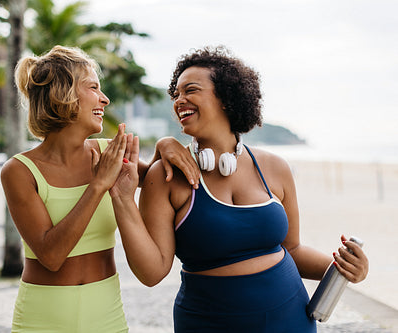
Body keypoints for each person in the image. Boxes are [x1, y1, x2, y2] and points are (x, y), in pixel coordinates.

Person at [110, 46, 369, 332]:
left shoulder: (275, 167)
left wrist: (344, 269)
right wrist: (123, 199)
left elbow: (292, 248)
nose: (179, 100)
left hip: (291, 320)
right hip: (209, 323)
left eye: (190, 90)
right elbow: (152, 272)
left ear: (226, 97)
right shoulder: (166, 175)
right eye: (176, 94)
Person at [0, 45, 199, 332]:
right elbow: (51, 256)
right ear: (63, 94)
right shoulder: (19, 171)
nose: (104, 99)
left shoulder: (109, 153)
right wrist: (98, 186)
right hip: (42, 317)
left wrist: (164, 145)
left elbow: (160, 178)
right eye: (93, 87)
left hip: (106, 313)